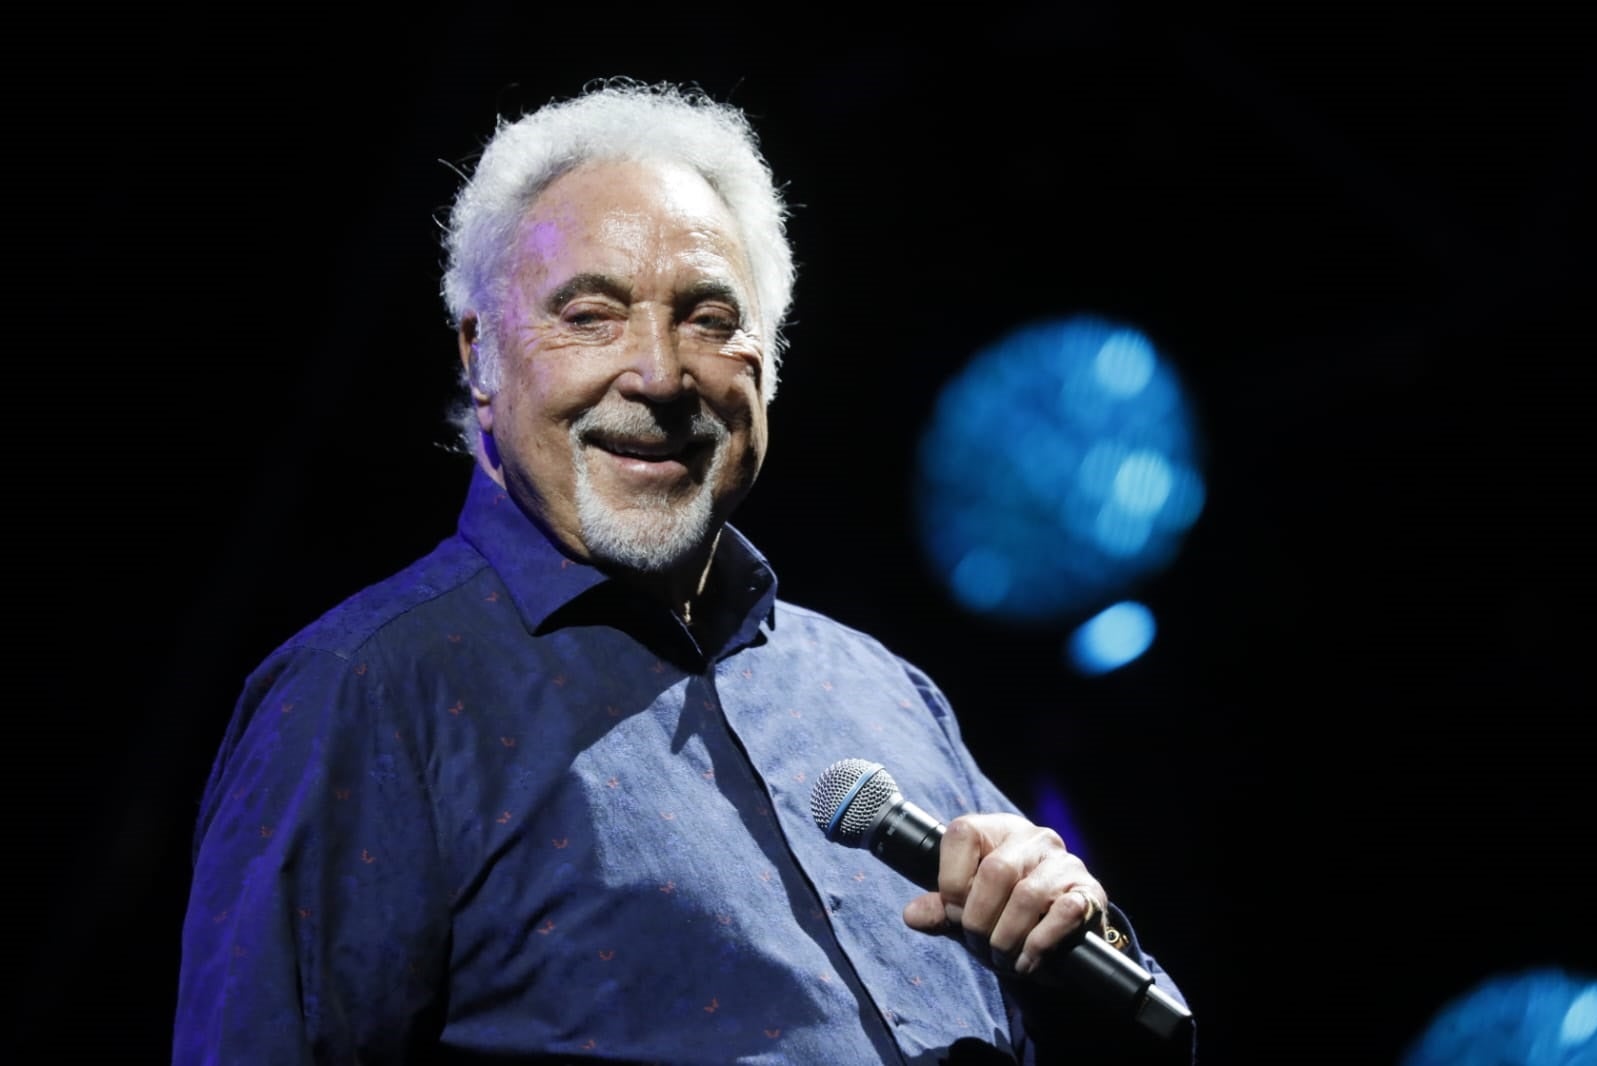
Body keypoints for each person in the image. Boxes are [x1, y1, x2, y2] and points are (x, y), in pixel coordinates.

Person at [173, 78, 1194, 1065]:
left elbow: (1134, 1030)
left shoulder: (882, 692)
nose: (660, 374)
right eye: (589, 314)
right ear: (480, 359)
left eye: (709, 317)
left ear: (769, 361)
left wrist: (1075, 940)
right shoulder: (365, 692)